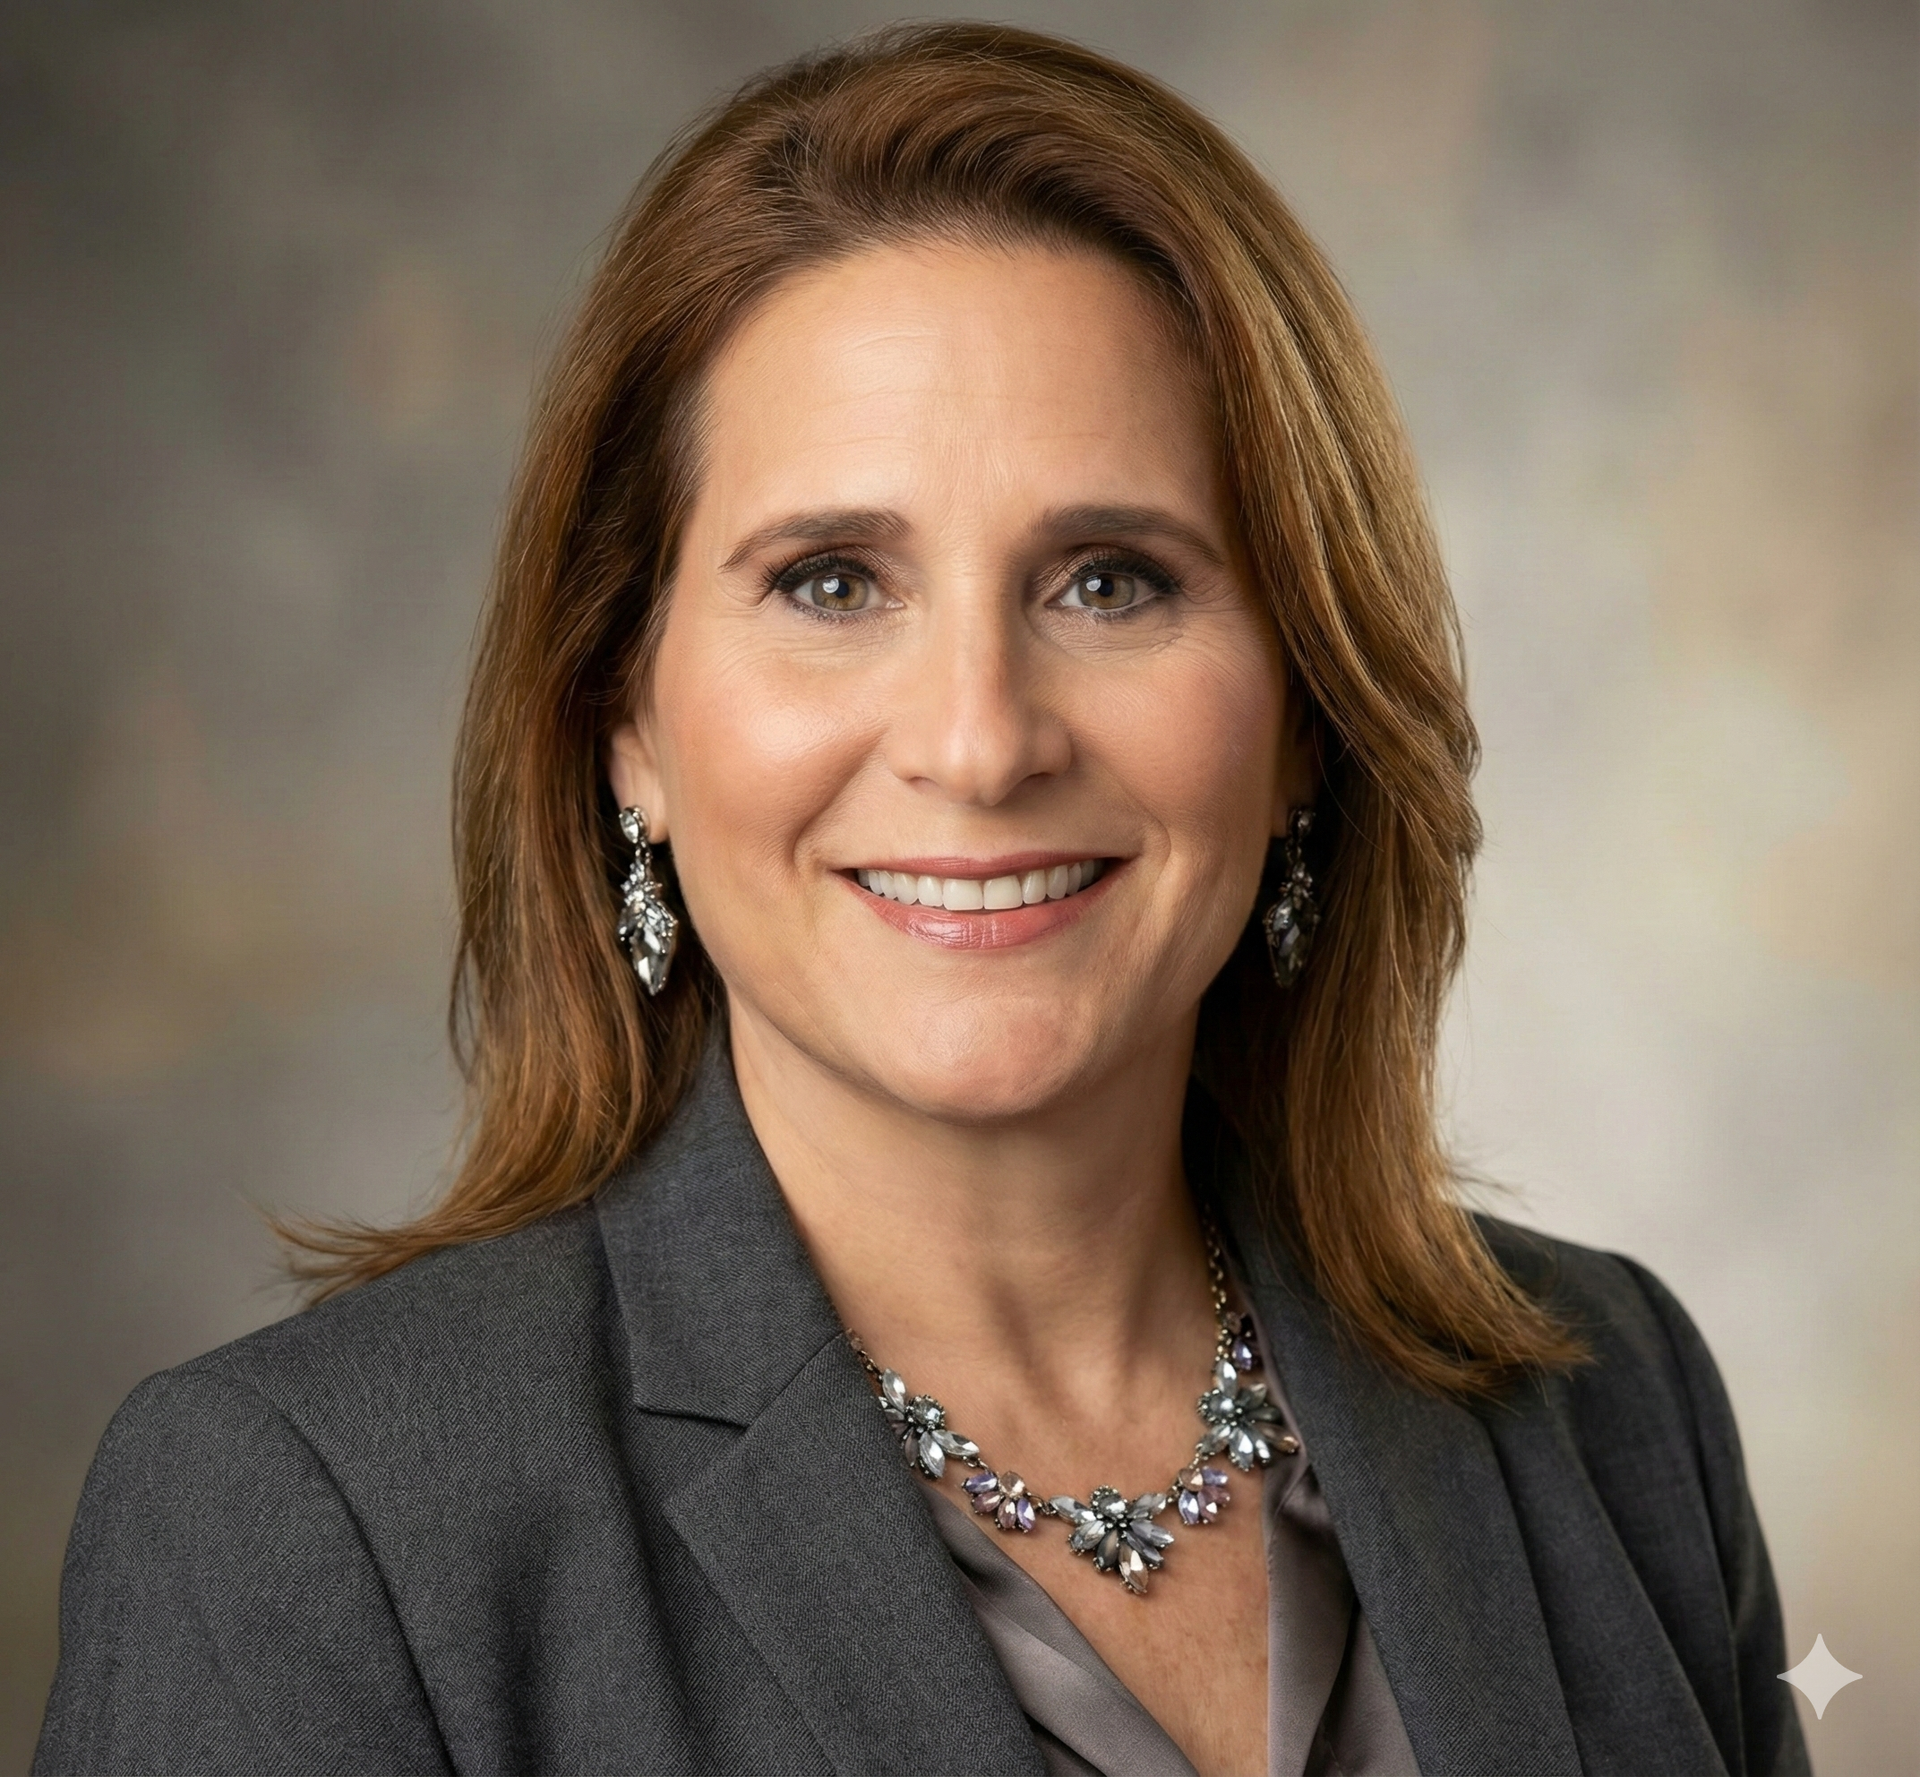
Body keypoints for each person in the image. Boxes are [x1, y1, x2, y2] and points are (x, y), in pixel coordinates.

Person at [35, 24, 1806, 1777]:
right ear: (626, 719)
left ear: (1304, 719)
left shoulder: (1613, 1404)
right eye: (830, 583)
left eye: (1111, 580)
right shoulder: (305, 1523)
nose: (978, 741)